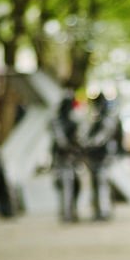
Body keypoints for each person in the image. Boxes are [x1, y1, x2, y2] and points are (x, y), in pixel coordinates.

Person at [81, 93, 120, 220]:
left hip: (104, 156)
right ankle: (98, 210)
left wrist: (89, 143)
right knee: (96, 184)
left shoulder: (107, 119)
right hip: (95, 156)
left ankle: (104, 211)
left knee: (102, 183)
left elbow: (102, 137)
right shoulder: (96, 118)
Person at [50, 92, 81, 222]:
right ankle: (67, 213)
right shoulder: (58, 122)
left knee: (73, 186)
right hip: (63, 158)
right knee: (65, 186)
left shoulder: (71, 121)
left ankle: (70, 212)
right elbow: (60, 141)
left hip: (70, 158)